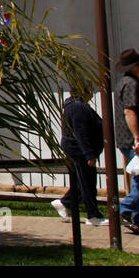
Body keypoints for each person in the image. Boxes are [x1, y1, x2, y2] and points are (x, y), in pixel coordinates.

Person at [114, 48, 139, 235]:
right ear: (137, 66)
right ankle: (124, 210)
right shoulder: (131, 84)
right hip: (134, 142)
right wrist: (137, 139)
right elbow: (129, 111)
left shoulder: (126, 82)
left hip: (129, 141)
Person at [53, 87, 106, 225]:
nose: (92, 93)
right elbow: (80, 132)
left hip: (78, 150)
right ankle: (93, 215)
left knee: (81, 182)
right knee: (87, 182)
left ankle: (65, 203)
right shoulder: (78, 107)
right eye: (90, 90)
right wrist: (89, 154)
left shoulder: (76, 106)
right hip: (79, 151)